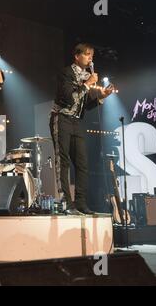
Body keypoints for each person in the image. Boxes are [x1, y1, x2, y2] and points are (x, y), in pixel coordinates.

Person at [49, 43, 114, 215]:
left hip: (76, 121)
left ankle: (80, 203)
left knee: (82, 163)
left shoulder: (87, 76)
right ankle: (66, 203)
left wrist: (101, 96)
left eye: (92, 54)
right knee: (63, 161)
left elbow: (85, 105)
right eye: (86, 54)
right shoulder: (66, 73)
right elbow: (69, 98)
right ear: (77, 56)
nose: (90, 57)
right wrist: (87, 84)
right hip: (61, 118)